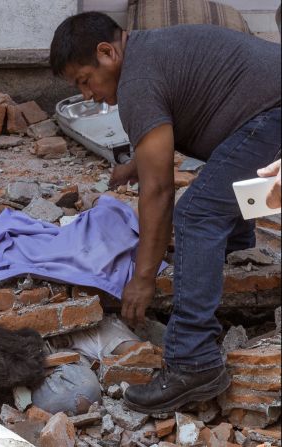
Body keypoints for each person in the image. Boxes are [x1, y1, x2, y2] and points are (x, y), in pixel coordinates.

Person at [50, 12, 281, 414]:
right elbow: (164, 143)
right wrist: (133, 165)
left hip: (273, 112)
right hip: (265, 109)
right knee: (221, 189)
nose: (86, 94)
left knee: (196, 213)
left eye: (84, 80)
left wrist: (142, 278)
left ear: (107, 53)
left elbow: (158, 191)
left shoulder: (137, 81)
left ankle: (193, 360)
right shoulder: (147, 54)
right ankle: (238, 264)